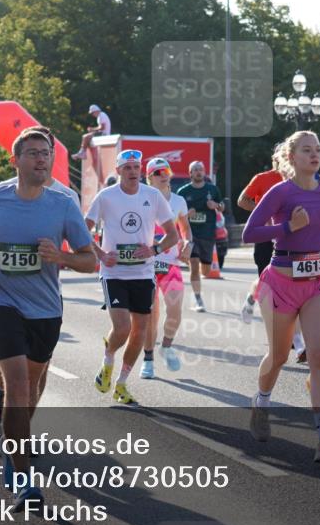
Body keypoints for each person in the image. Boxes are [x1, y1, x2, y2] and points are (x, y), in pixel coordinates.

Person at [0, 128, 97, 511]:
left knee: (31, 385)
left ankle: (1, 400)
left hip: (45, 308)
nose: (42, 159)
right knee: (20, 387)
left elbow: (89, 260)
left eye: (47, 153)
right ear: (16, 160)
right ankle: (23, 480)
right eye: (34, 153)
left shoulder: (63, 204)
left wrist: (63, 258)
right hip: (2, 300)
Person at [242, 130, 320, 463]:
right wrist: (288, 226)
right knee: (278, 356)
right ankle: (261, 403)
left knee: (319, 356)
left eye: (317, 149)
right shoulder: (279, 192)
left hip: (318, 281)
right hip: (281, 283)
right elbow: (250, 232)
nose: (314, 155)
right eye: (306, 150)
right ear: (292, 157)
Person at [85, 149, 179, 404]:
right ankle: (107, 360)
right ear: (118, 171)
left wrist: (154, 249)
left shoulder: (153, 196)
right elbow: (85, 229)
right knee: (123, 327)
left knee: (140, 331)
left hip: (143, 272)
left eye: (136, 167)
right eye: (127, 168)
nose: (133, 172)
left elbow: (173, 234)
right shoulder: (106, 197)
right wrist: (101, 254)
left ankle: (122, 384)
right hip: (114, 272)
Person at [140, 157, 192, 378]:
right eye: (159, 171)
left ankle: (167, 346)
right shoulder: (141, 198)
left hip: (170, 264)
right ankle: (148, 359)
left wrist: (189, 242)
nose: (164, 174)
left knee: (174, 312)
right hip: (146, 266)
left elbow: (185, 229)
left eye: (167, 170)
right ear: (149, 178)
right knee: (151, 314)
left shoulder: (179, 200)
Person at [238, 153, 285, 323]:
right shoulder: (262, 178)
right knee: (266, 278)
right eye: (286, 156)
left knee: (285, 281)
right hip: (265, 236)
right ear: (277, 159)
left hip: (288, 237)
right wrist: (264, 211)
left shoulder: (299, 179)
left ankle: (284, 325)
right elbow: (242, 200)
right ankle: (253, 298)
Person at [177, 161, 224, 313]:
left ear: (204, 173)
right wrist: (185, 214)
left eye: (200, 169)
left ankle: (198, 274)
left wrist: (216, 205)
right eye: (195, 170)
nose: (198, 172)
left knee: (205, 271)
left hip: (208, 234)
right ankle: (198, 300)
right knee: (195, 266)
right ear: (190, 173)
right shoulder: (183, 192)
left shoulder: (212, 189)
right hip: (191, 234)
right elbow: (175, 214)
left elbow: (222, 206)